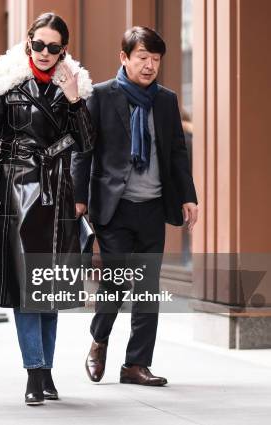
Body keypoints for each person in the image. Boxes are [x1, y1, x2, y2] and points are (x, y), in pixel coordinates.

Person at [0, 13, 94, 405]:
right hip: (14, 189)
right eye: (38, 44)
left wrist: (74, 98)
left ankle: (47, 370)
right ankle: (34, 372)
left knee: (50, 285)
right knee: (27, 285)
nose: (44, 53)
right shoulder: (5, 80)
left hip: (56, 189)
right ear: (28, 42)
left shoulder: (73, 85)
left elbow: (88, 143)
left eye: (53, 47)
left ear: (63, 50)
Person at [71, 26, 198, 387]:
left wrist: (188, 195)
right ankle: (99, 339)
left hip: (153, 207)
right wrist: (79, 198)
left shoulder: (166, 100)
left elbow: (176, 153)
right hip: (114, 207)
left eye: (155, 59)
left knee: (146, 287)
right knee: (115, 283)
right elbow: (84, 151)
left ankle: (136, 364)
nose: (149, 66)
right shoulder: (100, 96)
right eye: (142, 57)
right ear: (124, 57)